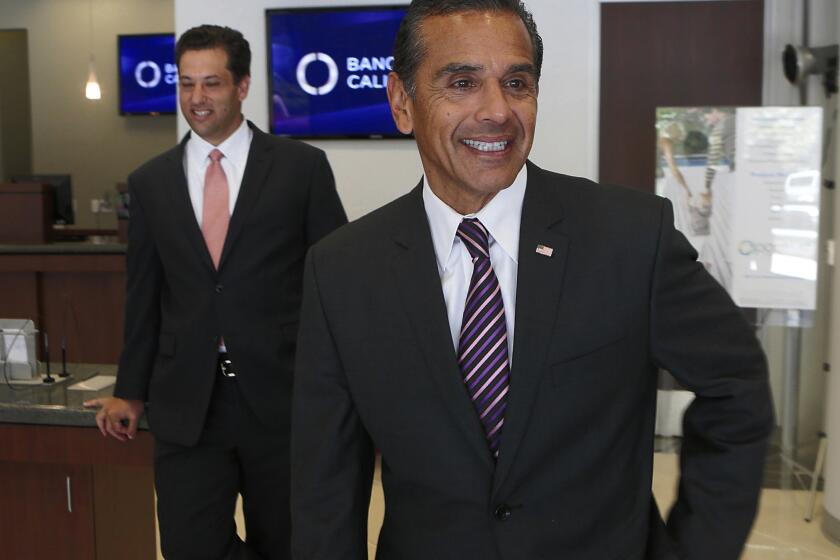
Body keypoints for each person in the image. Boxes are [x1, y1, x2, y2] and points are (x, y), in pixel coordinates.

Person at [290, 1, 772, 559]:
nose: (496, 111)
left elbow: (736, 388)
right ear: (402, 101)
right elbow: (325, 484)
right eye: (463, 82)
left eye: (516, 83)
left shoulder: (632, 237)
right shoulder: (343, 270)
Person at [84, 24, 347, 560]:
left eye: (212, 84)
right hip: (187, 402)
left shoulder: (302, 168)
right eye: (186, 84)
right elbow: (144, 296)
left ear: (243, 85)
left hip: (282, 397)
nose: (196, 99)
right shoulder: (150, 181)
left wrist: (344, 386)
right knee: (189, 544)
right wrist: (130, 389)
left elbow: (335, 286)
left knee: (292, 542)